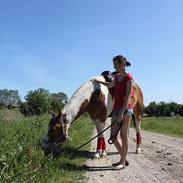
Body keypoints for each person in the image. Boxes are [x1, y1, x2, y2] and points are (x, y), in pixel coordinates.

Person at [93, 55, 134, 170]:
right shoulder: (116, 77)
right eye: (114, 65)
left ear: (122, 64)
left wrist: (121, 112)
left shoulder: (129, 78)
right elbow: (111, 85)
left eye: (116, 65)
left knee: (123, 135)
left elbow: (127, 97)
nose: (114, 67)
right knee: (113, 137)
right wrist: (99, 81)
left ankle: (122, 161)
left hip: (125, 110)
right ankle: (124, 159)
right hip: (116, 109)